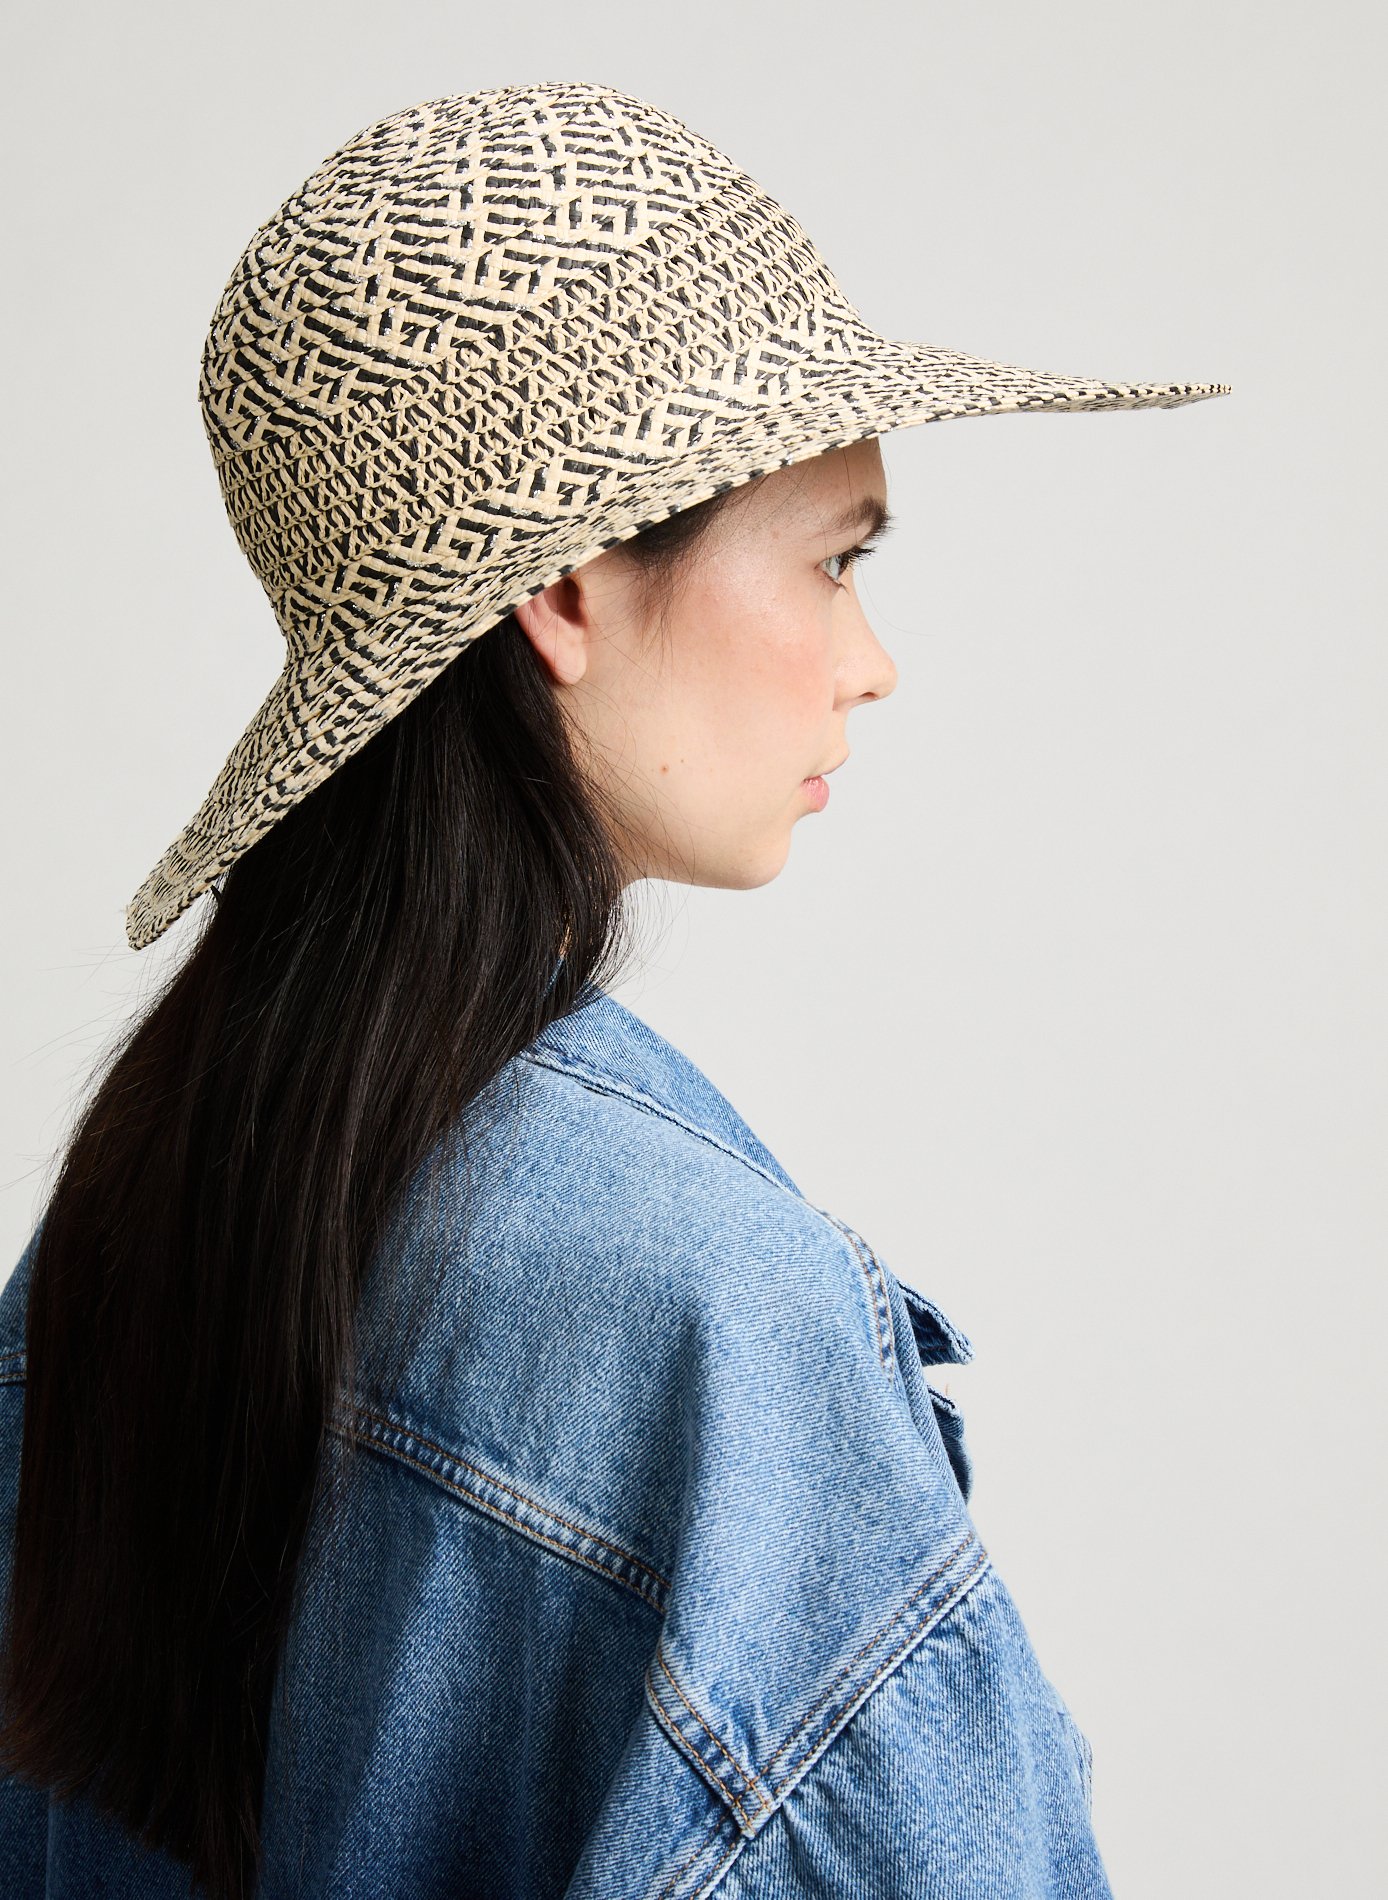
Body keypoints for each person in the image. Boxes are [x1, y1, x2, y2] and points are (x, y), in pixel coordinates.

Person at [0, 80, 1228, 1899]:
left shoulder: (125, 1227)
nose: (871, 663)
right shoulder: (714, 1323)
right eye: (837, 559)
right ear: (571, 592)